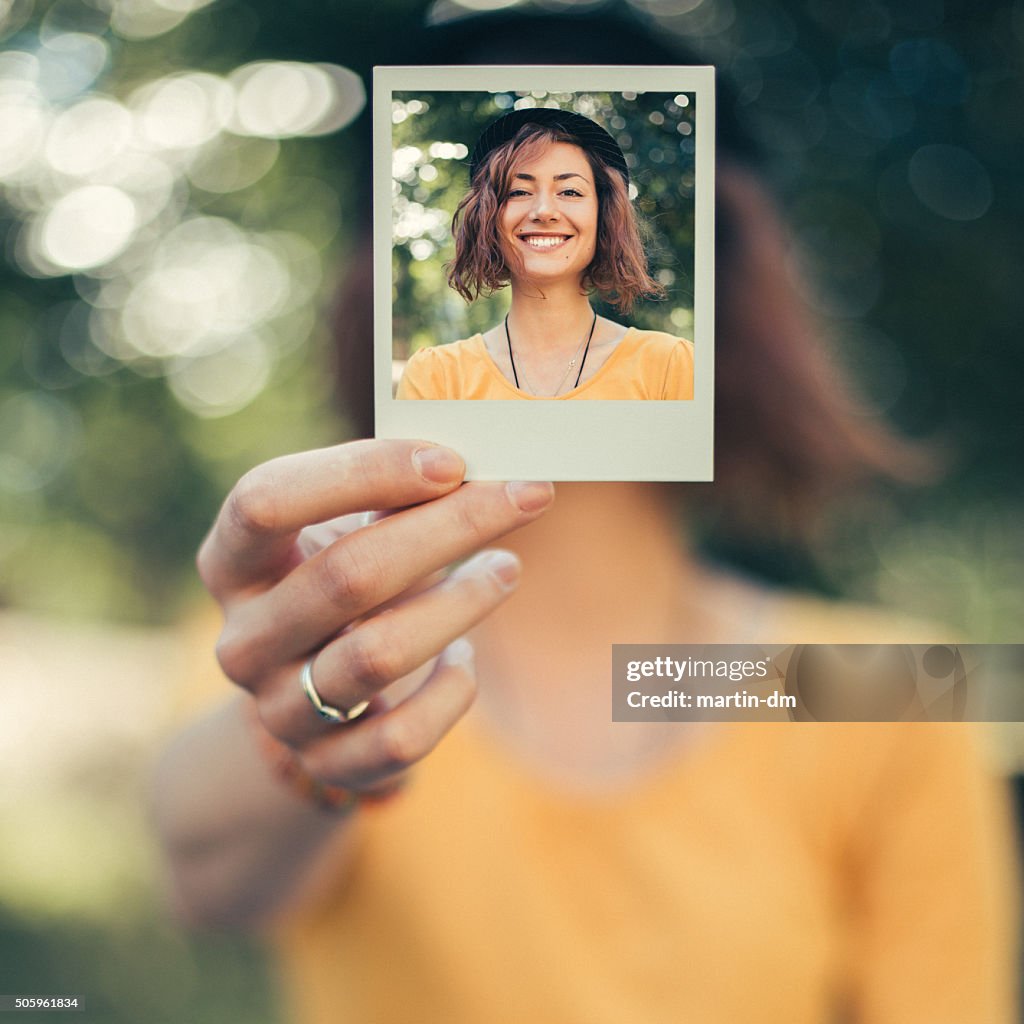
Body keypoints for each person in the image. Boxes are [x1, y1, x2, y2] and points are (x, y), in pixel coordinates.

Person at [151, 8, 1018, 1024]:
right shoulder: (314, 641)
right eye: (513, 185)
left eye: (574, 185)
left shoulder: (882, 689)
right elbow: (210, 883)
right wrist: (307, 738)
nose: (544, 212)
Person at [396, 108, 694, 400]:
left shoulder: (671, 367)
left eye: (570, 192)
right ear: (488, 219)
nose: (544, 211)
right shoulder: (435, 377)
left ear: (603, 216)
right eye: (518, 192)